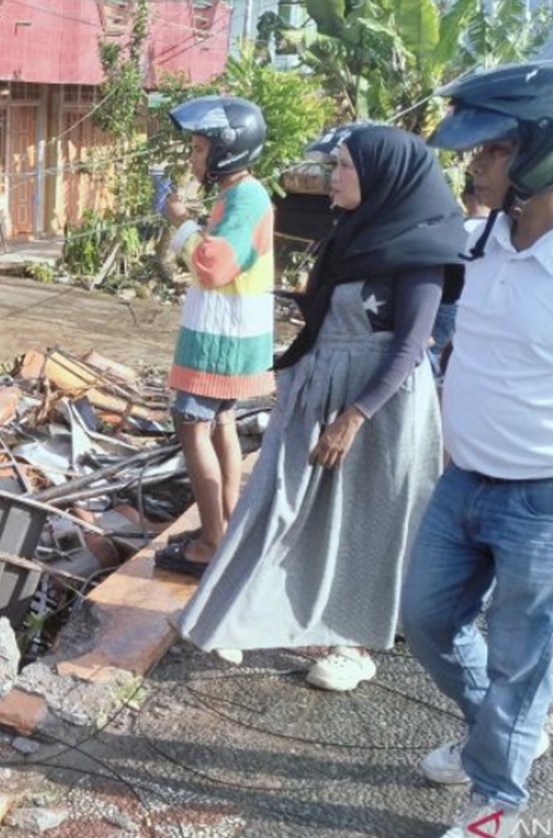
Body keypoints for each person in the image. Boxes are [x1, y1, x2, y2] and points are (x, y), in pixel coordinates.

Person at [175, 124, 466, 692]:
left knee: (362, 522)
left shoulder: (422, 249)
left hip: (379, 408)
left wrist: (353, 416)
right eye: (334, 166)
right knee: (277, 503)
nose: (332, 178)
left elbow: (410, 345)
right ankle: (238, 616)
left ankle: (351, 646)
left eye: (343, 167)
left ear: (383, 175)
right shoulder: (352, 234)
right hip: (322, 388)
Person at [401, 60, 553, 838]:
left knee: (521, 660)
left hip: (541, 499)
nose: (473, 163)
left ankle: (497, 801)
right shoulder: (478, 241)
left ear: (538, 151)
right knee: (424, 619)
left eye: (489, 150)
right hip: (463, 481)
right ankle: (500, 731)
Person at [154, 95, 276, 578]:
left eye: (201, 149)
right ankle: (222, 527)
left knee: (192, 424)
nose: (193, 158)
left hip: (220, 341)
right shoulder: (238, 195)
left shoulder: (245, 199)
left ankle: (210, 541)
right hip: (233, 339)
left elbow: (214, 264)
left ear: (228, 151)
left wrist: (180, 222)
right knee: (222, 424)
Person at [428, 176, 489, 378]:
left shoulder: (456, 230)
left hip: (449, 304)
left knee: (432, 357)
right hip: (479, 309)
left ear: (466, 197)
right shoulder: (500, 232)